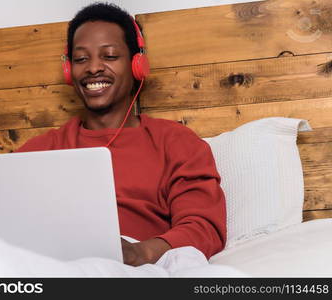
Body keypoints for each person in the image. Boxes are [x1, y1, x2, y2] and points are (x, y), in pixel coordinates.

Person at [15, 2, 226, 267]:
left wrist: (141, 253)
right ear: (69, 71)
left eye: (110, 55)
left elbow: (203, 226)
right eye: (81, 59)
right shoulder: (40, 150)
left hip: (136, 268)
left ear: (137, 65)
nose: (93, 68)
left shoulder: (176, 142)